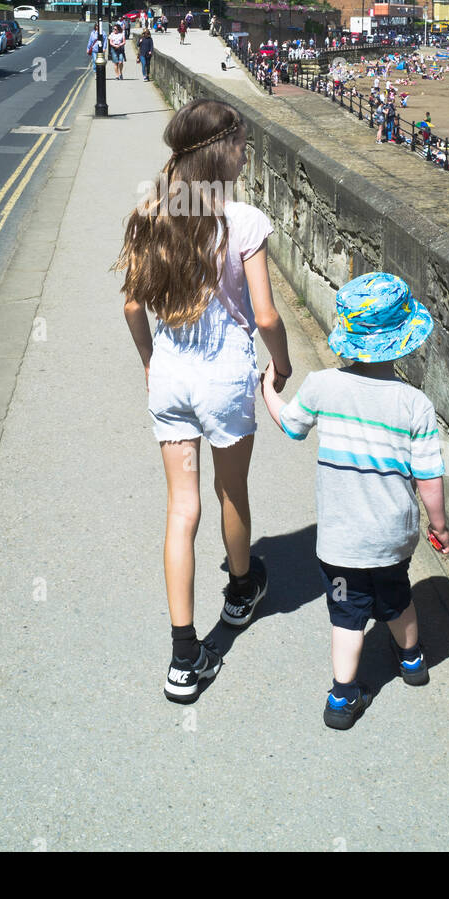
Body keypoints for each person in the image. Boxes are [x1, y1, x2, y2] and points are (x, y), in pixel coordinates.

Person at [116, 99, 292, 703]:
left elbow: (132, 306)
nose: (247, 152)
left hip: (170, 380)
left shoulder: (150, 214)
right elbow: (265, 316)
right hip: (224, 383)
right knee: (230, 492)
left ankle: (183, 656)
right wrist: (284, 362)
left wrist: (148, 361)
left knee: (180, 510)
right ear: (224, 150)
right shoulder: (242, 221)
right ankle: (241, 592)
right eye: (243, 143)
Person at [261, 272, 448, 730]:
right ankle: (412, 662)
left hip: (341, 543)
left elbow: (291, 427)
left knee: (347, 615)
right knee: (397, 596)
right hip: (391, 539)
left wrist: (266, 387)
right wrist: (439, 527)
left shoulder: (323, 386)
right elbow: (429, 477)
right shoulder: (414, 404)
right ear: (405, 341)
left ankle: (343, 699)